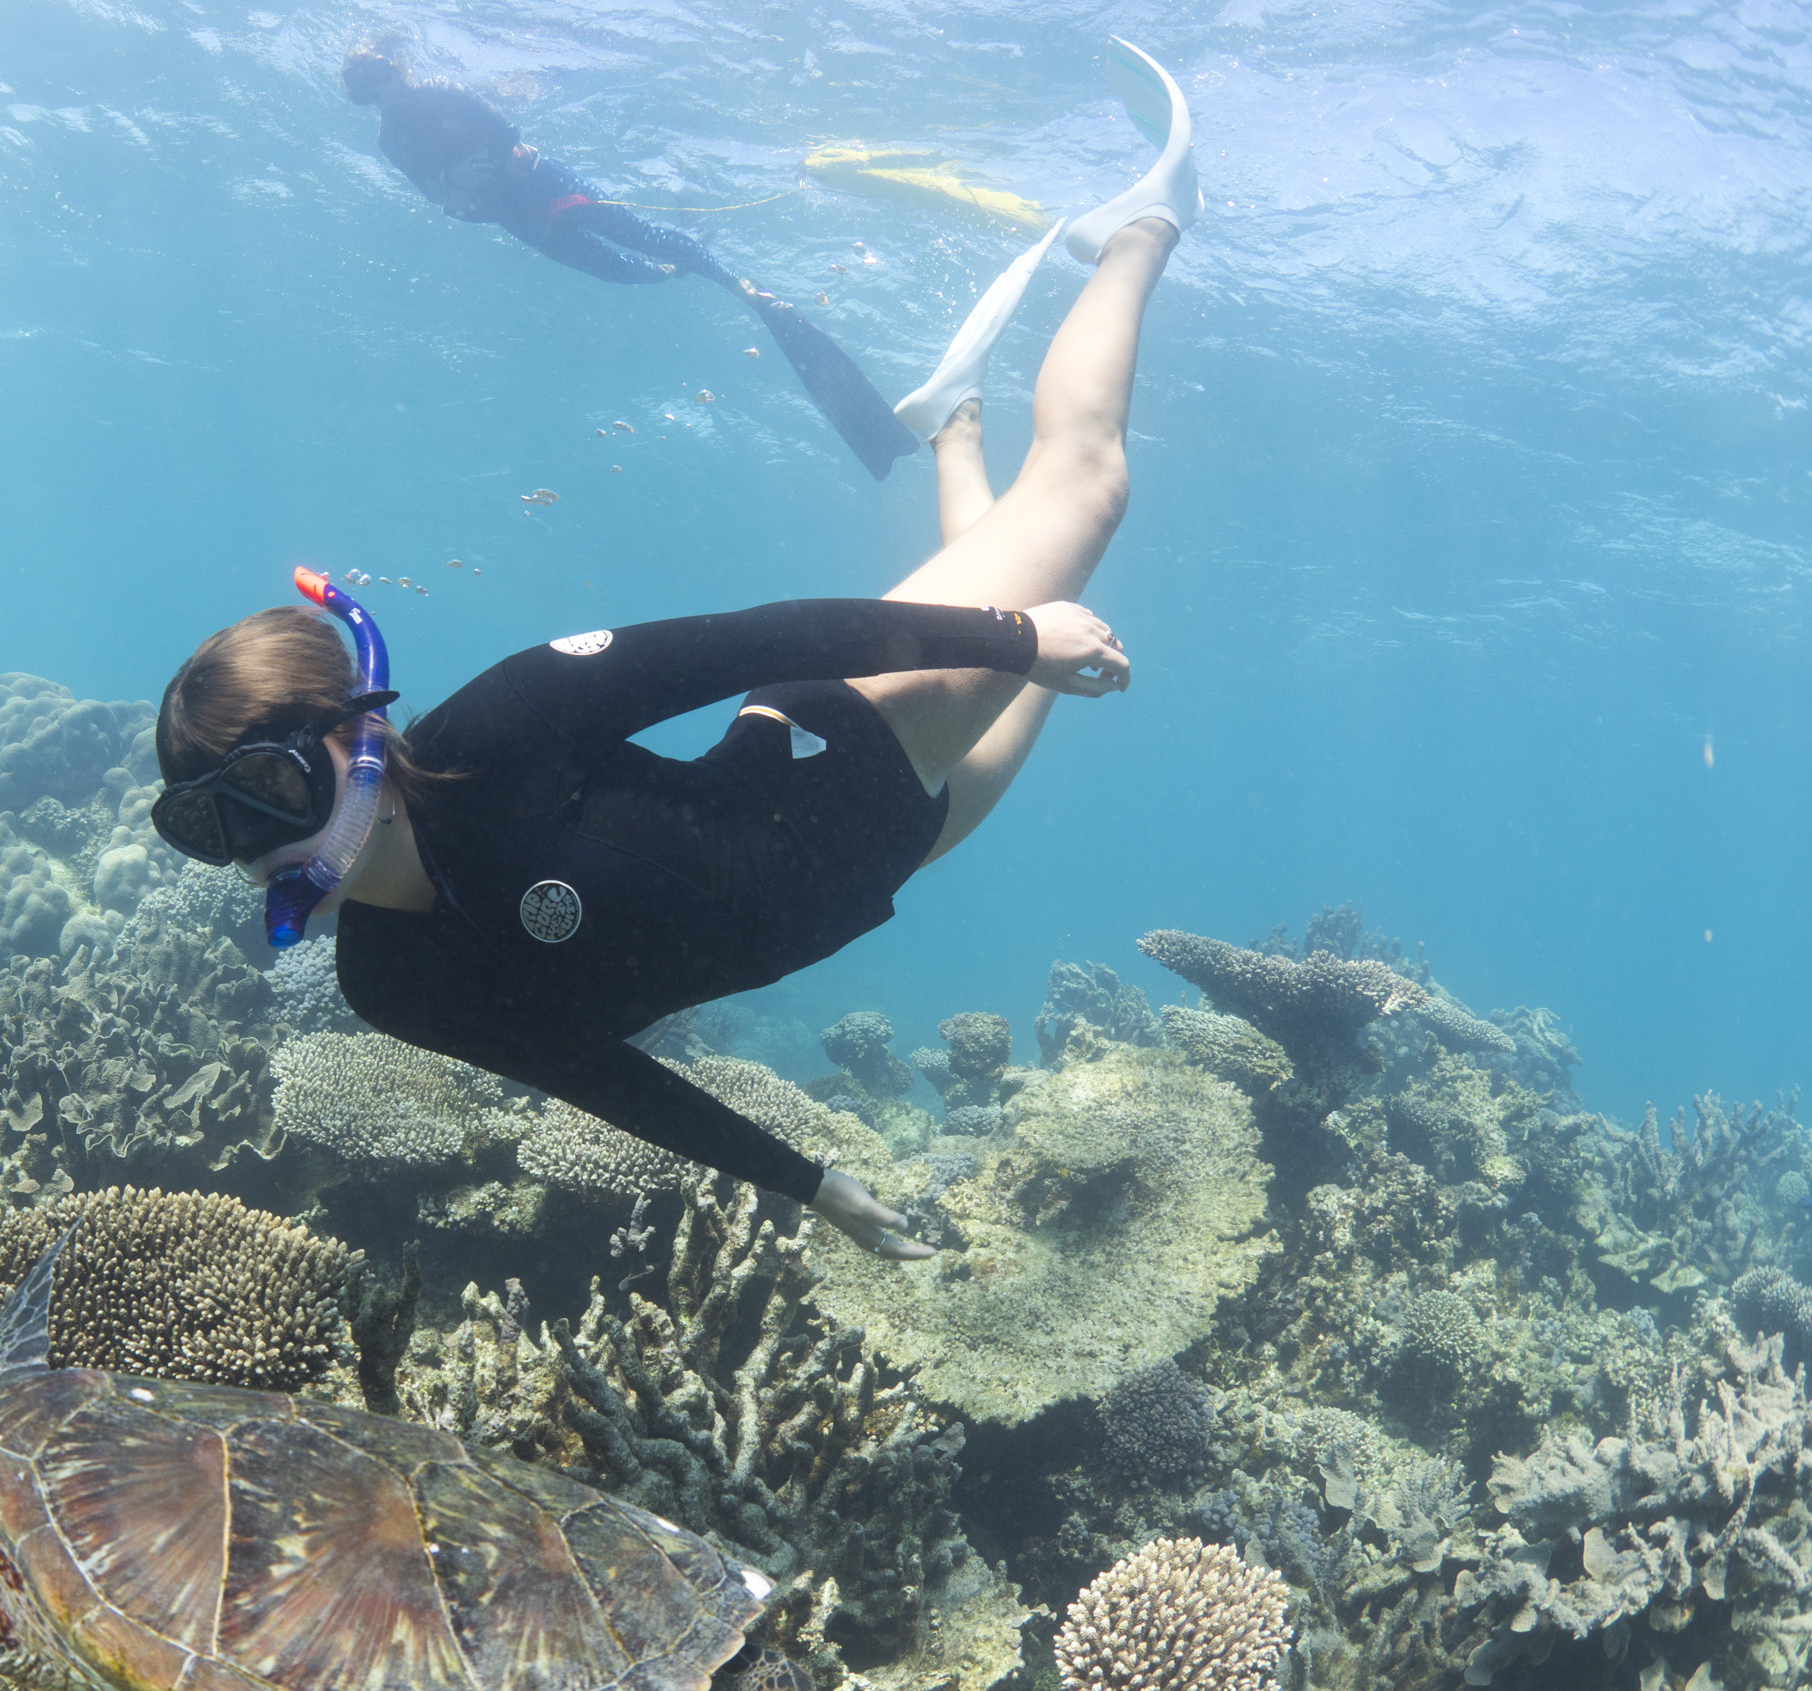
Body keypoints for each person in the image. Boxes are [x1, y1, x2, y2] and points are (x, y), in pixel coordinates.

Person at [156, 43, 1200, 1259]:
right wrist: (805, 1181)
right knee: (1034, 687)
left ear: (353, 728)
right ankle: (952, 429)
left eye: (271, 793)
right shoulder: (387, 984)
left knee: (1085, 483)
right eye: (217, 826)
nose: (264, 849)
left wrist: (1013, 637)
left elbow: (758, 637)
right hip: (886, 855)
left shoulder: (503, 725)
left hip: (851, 745)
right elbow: (588, 1072)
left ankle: (1143, 228)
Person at [341, 48, 919, 481]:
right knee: (611, 267)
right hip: (515, 215)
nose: (382, 94)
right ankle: (676, 270)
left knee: (636, 233)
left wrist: (499, 162)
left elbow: (507, 135)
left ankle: (732, 281)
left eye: (382, 78)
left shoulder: (444, 93)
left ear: (400, 69)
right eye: (367, 90)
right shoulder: (392, 139)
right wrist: (454, 186)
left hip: (544, 185)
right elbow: (434, 195)